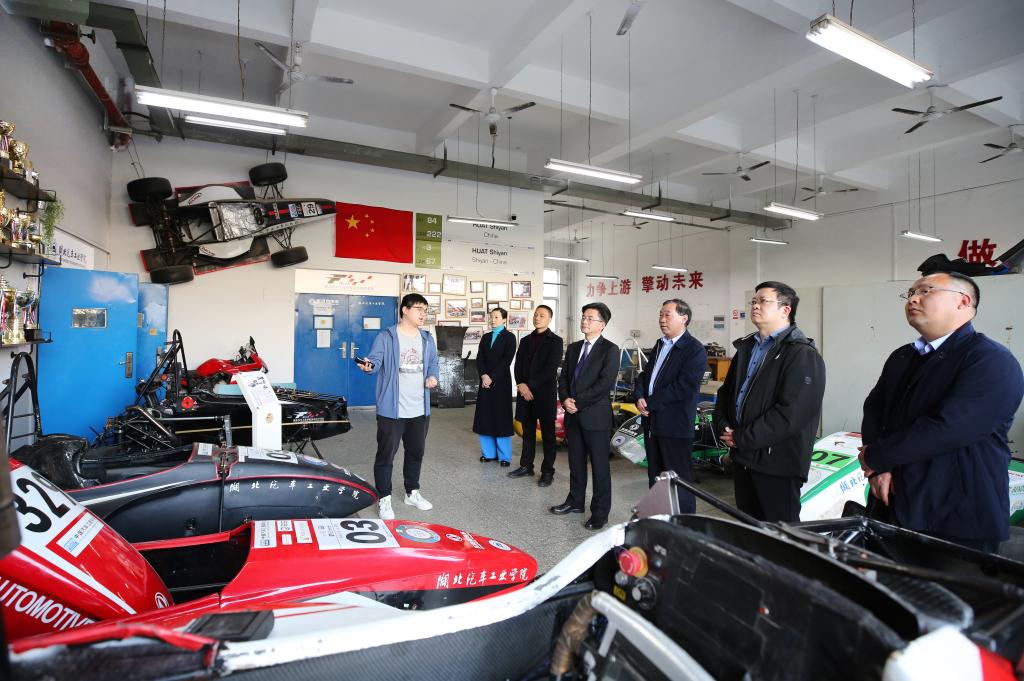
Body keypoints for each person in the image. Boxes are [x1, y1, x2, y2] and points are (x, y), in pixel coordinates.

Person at [860, 272, 1024, 552]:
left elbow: (951, 427)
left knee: (948, 582)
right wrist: (879, 467)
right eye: (911, 293)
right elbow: (875, 409)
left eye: (926, 291)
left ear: (963, 302)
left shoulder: (990, 359)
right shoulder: (902, 356)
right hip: (892, 503)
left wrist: (877, 457)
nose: (913, 299)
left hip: (955, 513)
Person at [713, 281, 825, 522]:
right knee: (750, 529)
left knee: (779, 534)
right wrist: (723, 425)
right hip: (743, 457)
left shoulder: (801, 354)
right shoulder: (747, 349)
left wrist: (742, 437)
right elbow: (726, 394)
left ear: (785, 310)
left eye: (762, 301)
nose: (755, 305)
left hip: (777, 464)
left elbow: (792, 413)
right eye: (753, 301)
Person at [358, 293, 440, 520]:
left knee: (416, 452)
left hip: (420, 409)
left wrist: (433, 376)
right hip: (392, 410)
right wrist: (369, 366)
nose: (423, 314)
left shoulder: (426, 338)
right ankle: (384, 497)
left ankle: (412, 492)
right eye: (419, 309)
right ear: (405, 309)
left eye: (425, 310)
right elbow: (375, 361)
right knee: (386, 456)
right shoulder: (386, 336)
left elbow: (433, 363)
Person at [551, 302, 620, 530]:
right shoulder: (573, 348)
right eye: (583, 317)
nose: (584, 321)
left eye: (590, 318)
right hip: (573, 415)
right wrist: (565, 399)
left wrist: (578, 402)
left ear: (602, 324)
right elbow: (563, 377)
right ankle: (575, 501)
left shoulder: (610, 350)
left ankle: (600, 513)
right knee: (576, 463)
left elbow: (604, 384)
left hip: (595, 417)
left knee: (600, 467)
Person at [635, 299, 708, 512]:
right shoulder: (660, 345)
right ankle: (660, 519)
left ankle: (683, 524)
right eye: (661, 314)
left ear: (684, 318)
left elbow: (683, 387)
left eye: (668, 315)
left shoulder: (694, 349)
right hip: (653, 424)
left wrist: (650, 402)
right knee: (656, 478)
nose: (662, 319)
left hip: (675, 426)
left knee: (678, 480)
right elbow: (645, 375)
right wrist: (639, 396)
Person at [509, 305, 563, 486]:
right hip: (525, 394)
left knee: (548, 435)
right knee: (528, 433)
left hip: (544, 394)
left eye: (542, 315)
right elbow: (517, 365)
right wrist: (521, 385)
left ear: (549, 319)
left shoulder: (555, 341)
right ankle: (526, 466)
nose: (537, 318)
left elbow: (550, 369)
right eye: (536, 315)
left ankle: (547, 472)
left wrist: (528, 386)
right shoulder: (525, 340)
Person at [473, 308, 517, 467]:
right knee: (485, 416)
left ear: (504, 319)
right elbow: (480, 358)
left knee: (501, 417)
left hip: (501, 383)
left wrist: (492, 377)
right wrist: (484, 375)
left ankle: (504, 456)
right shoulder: (485, 337)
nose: (493, 320)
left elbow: (506, 360)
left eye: (496, 317)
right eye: (491, 317)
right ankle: (488, 453)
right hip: (485, 382)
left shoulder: (510, 337)